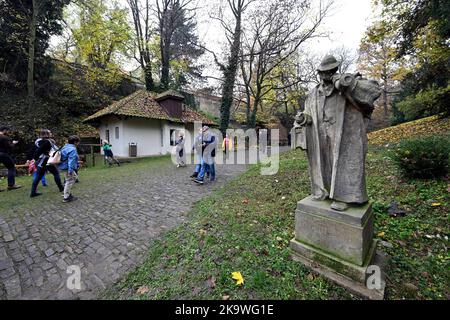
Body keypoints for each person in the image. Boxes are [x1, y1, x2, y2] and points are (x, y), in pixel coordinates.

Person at [294, 55, 381, 211]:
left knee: (345, 162)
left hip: (344, 133)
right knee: (324, 163)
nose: (324, 75)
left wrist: (348, 84)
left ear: (334, 70)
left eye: (328, 72)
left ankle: (344, 197)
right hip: (320, 134)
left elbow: (373, 91)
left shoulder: (346, 83)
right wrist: (302, 118)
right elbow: (309, 115)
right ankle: (324, 191)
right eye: (321, 72)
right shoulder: (313, 93)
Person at [30, 129, 64, 197]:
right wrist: (34, 158)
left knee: (38, 176)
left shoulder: (38, 141)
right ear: (46, 134)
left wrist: (34, 158)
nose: (51, 133)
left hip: (41, 160)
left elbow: (35, 150)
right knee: (55, 173)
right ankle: (61, 188)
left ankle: (33, 192)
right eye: (50, 132)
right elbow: (39, 151)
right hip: (45, 160)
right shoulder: (47, 142)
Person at [59, 135, 80, 203]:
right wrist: (70, 170)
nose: (78, 143)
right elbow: (71, 160)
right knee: (70, 181)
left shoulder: (65, 147)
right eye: (78, 142)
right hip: (67, 167)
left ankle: (67, 194)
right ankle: (66, 197)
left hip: (64, 166)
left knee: (72, 179)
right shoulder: (72, 149)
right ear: (75, 142)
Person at [0, 126, 22, 191]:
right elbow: (9, 147)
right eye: (7, 131)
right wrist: (13, 143)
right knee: (11, 167)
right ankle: (11, 185)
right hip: (2, 154)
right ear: (4, 130)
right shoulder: (4, 137)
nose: (8, 132)